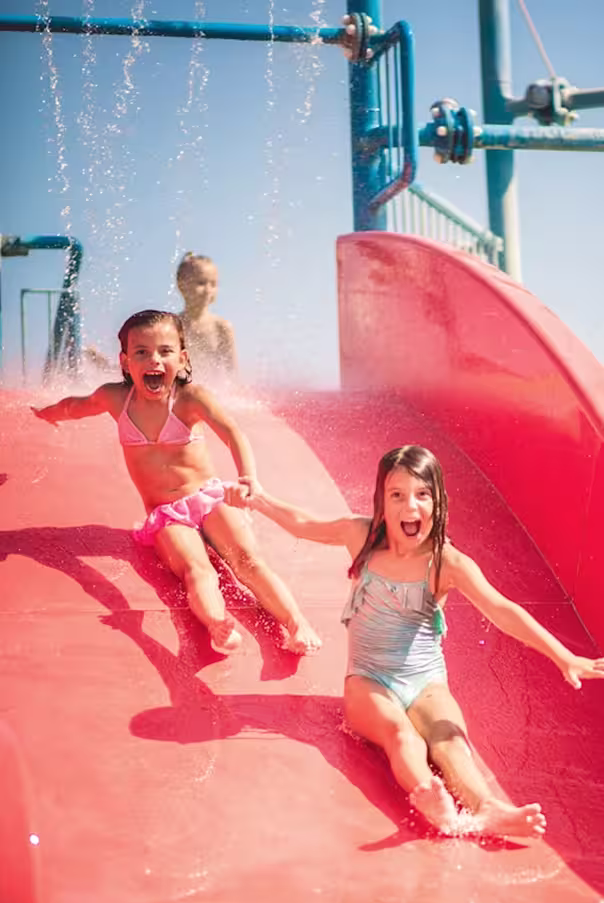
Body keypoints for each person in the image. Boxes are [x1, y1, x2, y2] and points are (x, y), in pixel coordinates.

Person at [235, 444, 604, 839]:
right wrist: (258, 498)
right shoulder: (360, 535)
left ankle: (486, 808)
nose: (410, 505)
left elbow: (502, 609)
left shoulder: (446, 562)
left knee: (450, 740)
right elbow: (303, 523)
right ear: (381, 502)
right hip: (368, 681)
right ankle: (429, 795)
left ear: (438, 499)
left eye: (422, 494)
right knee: (401, 734)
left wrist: (563, 656)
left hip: (426, 681)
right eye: (397, 495)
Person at [31, 309, 320, 657]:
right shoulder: (115, 399)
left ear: (182, 358)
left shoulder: (190, 398)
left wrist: (248, 479)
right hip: (166, 515)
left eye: (165, 351)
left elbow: (232, 433)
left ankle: (296, 622)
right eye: (142, 352)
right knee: (195, 568)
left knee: (247, 560)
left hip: (208, 499)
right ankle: (217, 623)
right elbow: (78, 405)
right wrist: (46, 413)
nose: (154, 359)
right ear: (125, 362)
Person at [176, 253, 236, 381]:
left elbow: (232, 373)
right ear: (181, 285)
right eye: (201, 283)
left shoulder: (221, 328)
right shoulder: (172, 326)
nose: (208, 290)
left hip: (210, 392)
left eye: (213, 284)